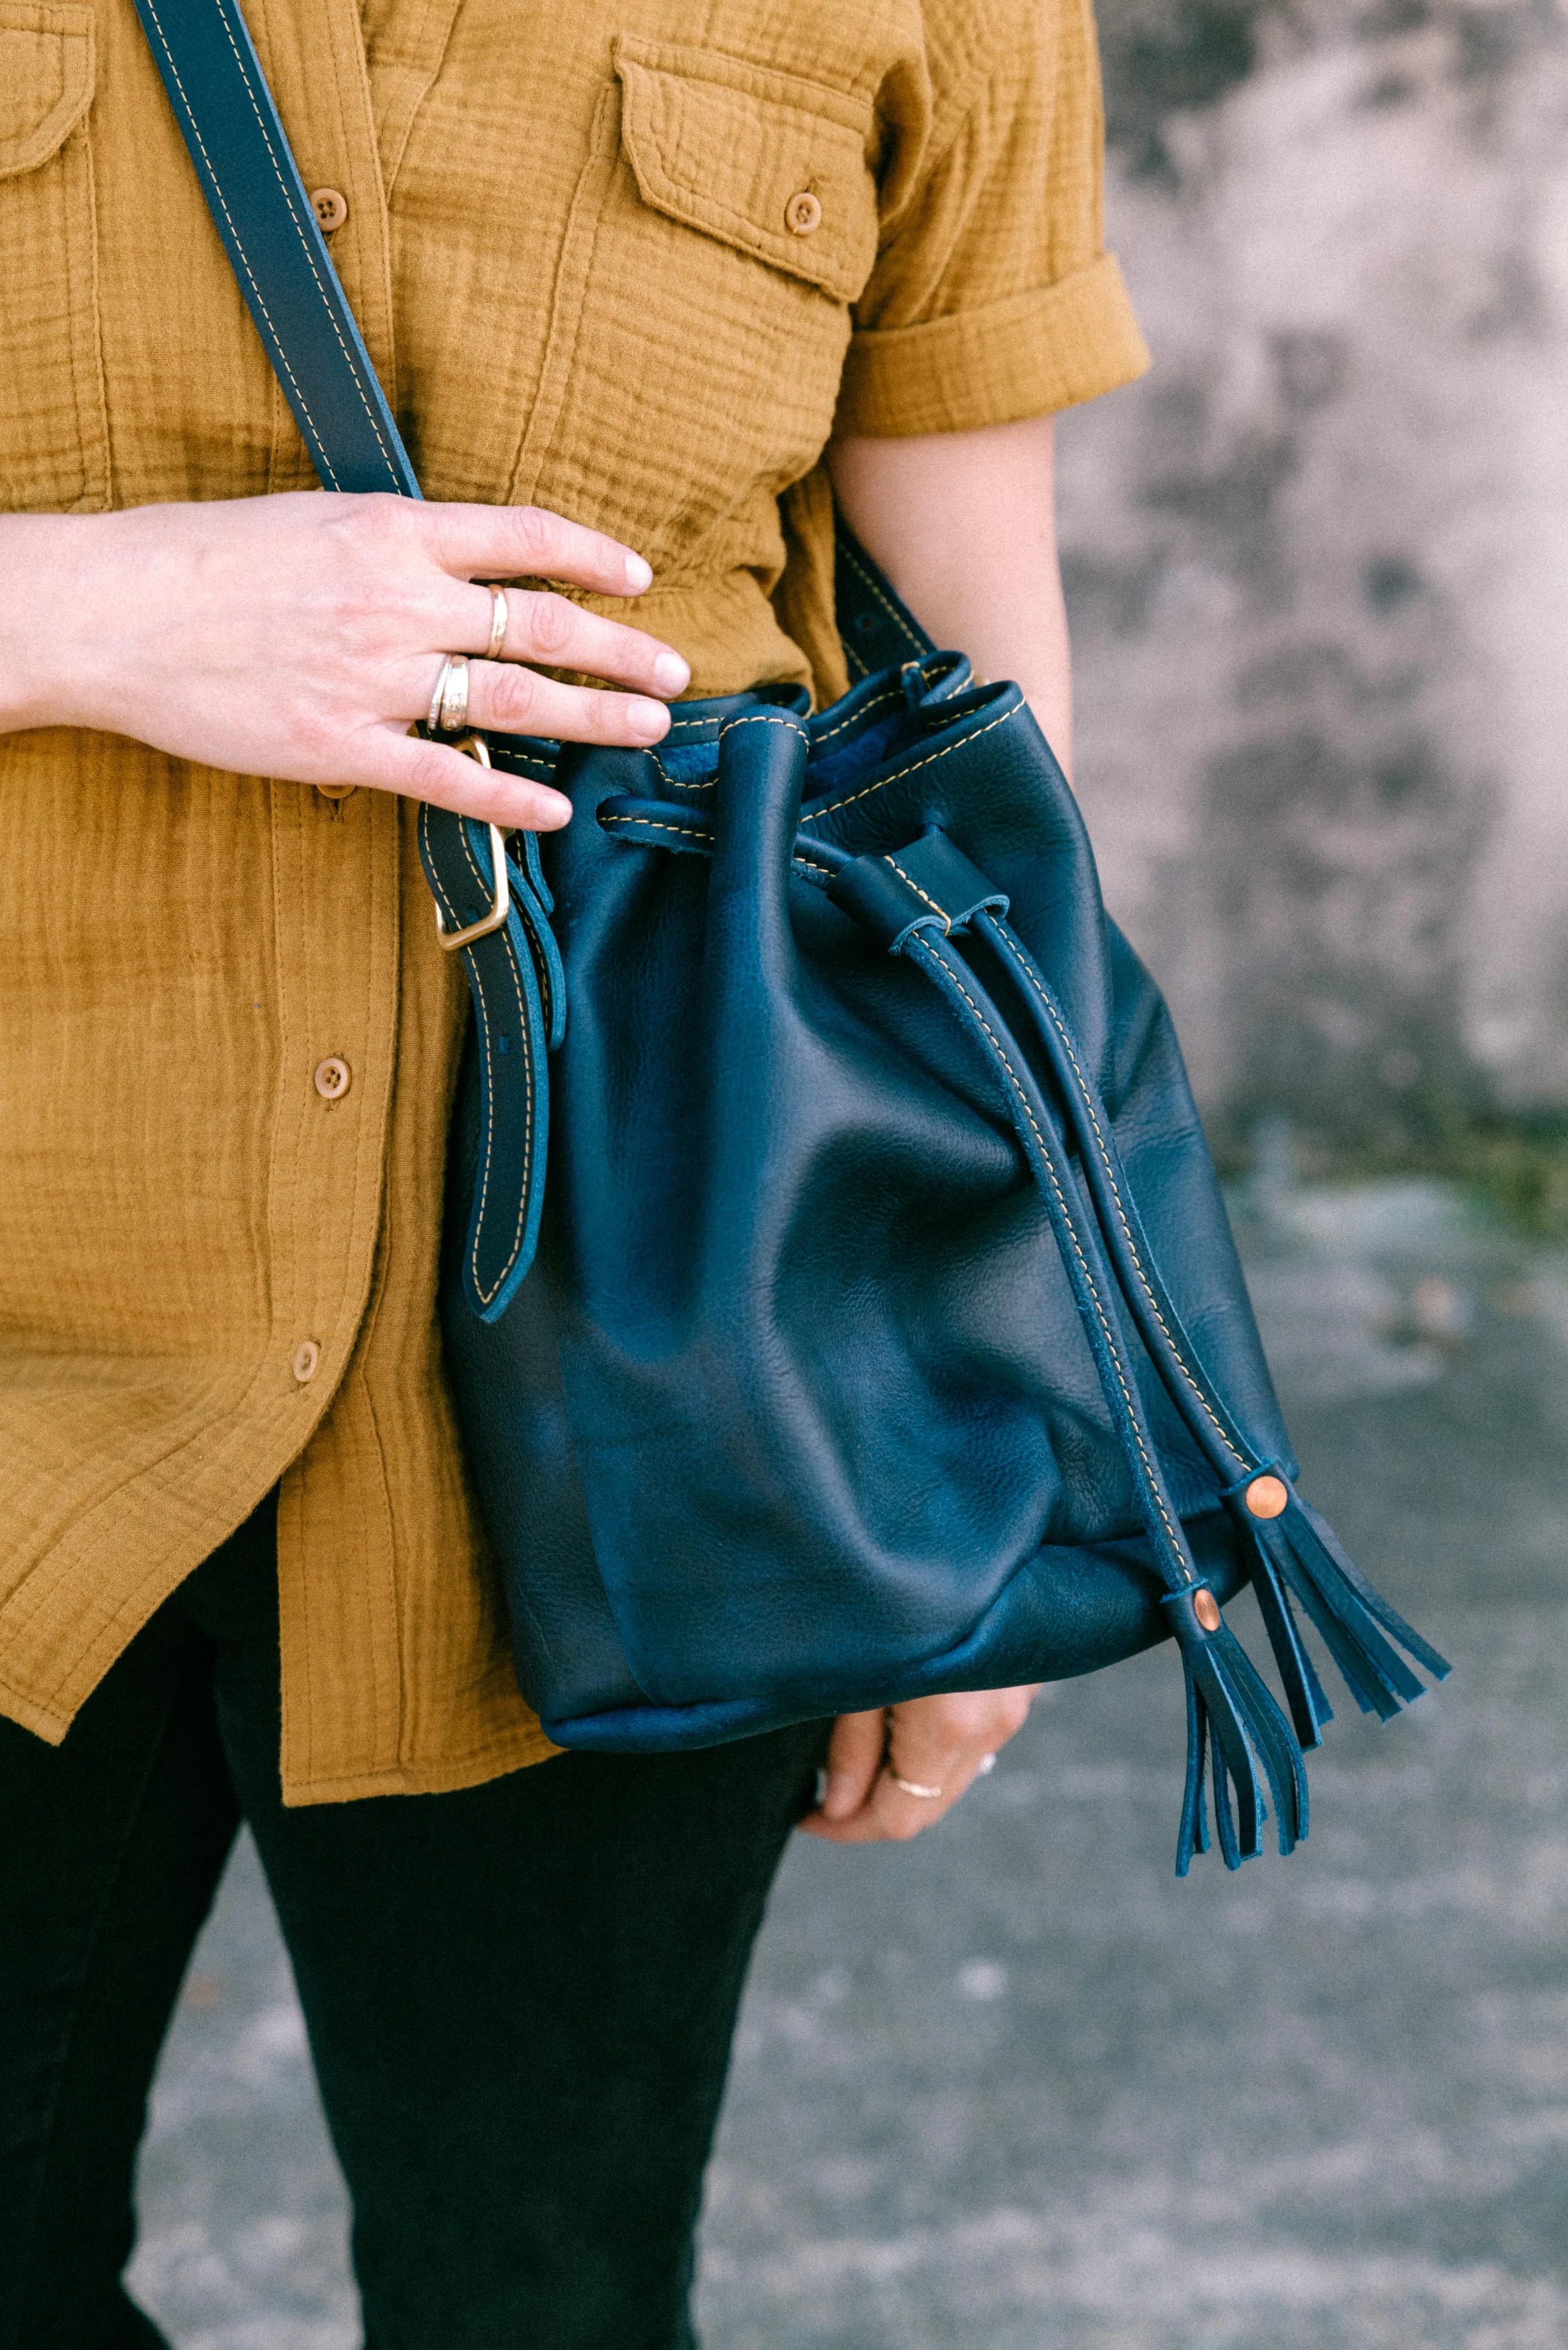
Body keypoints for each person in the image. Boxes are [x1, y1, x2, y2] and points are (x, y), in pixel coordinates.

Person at [0, 0, 1149, 2342]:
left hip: (631, 1401)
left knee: (544, 2293)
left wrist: (984, 1414)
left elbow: (971, 739)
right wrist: (99, 612)